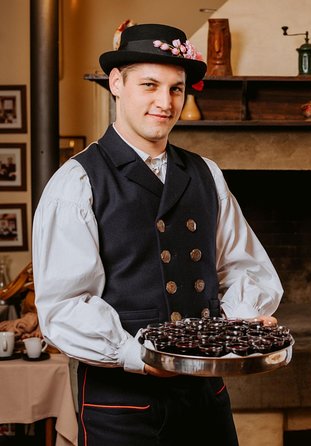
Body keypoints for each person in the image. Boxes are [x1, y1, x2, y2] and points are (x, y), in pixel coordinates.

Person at [32, 24, 283, 446]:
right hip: (122, 408)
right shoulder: (76, 182)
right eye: (149, 85)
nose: (165, 103)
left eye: (176, 89)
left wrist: (243, 321)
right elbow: (64, 305)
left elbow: (243, 266)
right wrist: (139, 356)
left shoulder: (207, 174)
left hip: (205, 398)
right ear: (116, 83)